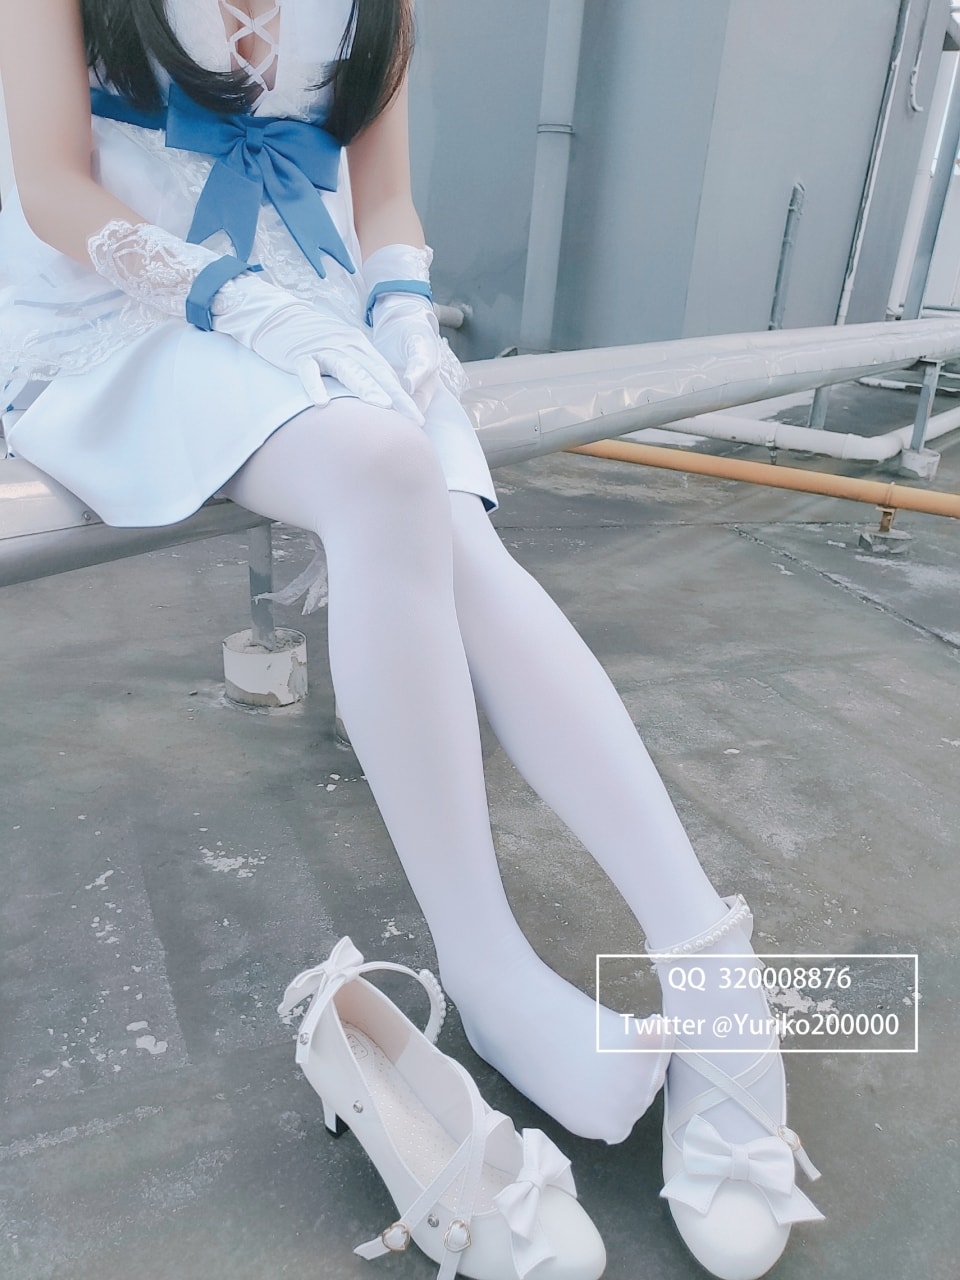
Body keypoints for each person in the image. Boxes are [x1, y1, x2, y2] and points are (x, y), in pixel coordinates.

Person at [0, 3, 823, 1277]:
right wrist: (229, 296)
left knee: (457, 533)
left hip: (319, 314)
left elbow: (383, 198)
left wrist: (399, 312)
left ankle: (711, 974)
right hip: (120, 315)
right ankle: (493, 965)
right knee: (391, 473)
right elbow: (53, 187)